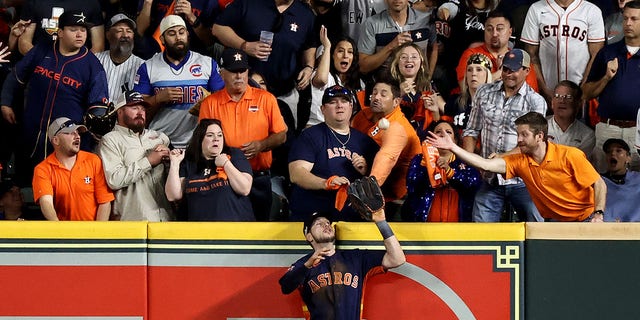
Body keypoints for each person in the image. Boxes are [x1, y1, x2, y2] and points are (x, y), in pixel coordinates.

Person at [427, 111, 607, 222]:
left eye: (524, 134)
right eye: (517, 134)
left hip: (587, 219)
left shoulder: (570, 155)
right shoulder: (520, 160)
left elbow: (599, 184)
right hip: (554, 223)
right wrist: (453, 147)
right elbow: (486, 164)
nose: (518, 140)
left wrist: (598, 214)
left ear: (540, 136)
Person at [0, 10, 109, 184]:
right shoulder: (41, 50)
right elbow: (16, 76)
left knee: (60, 188)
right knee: (26, 186)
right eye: (73, 29)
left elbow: (98, 107)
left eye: (83, 29)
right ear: (60, 33)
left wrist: (95, 126)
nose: (80, 34)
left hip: (64, 142)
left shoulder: (93, 66)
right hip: (31, 133)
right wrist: (5, 102)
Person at [198, 48, 287, 221]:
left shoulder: (266, 99)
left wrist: (261, 145)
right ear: (222, 73)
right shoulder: (210, 103)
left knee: (260, 233)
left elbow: (281, 135)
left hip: (258, 177)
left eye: (242, 70)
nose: (239, 76)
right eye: (233, 71)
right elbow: (203, 142)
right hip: (223, 179)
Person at [463, 48, 547, 222]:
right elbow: (471, 130)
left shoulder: (536, 101)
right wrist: (471, 160)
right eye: (505, 69)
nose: (508, 74)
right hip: (490, 179)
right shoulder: (484, 92)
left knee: (536, 225)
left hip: (524, 179)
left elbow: (532, 144)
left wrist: (500, 158)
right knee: (480, 230)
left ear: (526, 71)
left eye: (514, 70)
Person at [279, 207, 406, 319]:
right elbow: (285, 286)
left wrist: (381, 222)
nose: (326, 225)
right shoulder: (304, 264)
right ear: (309, 236)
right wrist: (307, 265)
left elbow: (397, 259)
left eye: (328, 223)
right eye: (319, 224)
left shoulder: (355, 258)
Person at [212, 0, 317, 126]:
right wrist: (244, 45)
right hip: (246, 92)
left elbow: (310, 45)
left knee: (286, 139)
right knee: (245, 137)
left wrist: (309, 66)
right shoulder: (248, 4)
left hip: (285, 93)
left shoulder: (305, 14)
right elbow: (218, 28)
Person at [289, 85, 379, 222]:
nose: (339, 106)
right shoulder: (310, 136)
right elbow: (297, 174)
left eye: (344, 101)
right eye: (332, 102)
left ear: (351, 107)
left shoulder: (365, 142)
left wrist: (365, 171)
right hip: (315, 217)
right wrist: (326, 183)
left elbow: (378, 183)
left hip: (353, 218)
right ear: (323, 109)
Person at [133, 14, 224, 149]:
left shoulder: (207, 63)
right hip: (159, 141)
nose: (178, 37)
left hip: (197, 142)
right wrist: (158, 99)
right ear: (162, 39)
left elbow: (223, 100)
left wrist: (208, 103)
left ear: (187, 34)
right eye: (172, 33)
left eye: (181, 32)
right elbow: (137, 110)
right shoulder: (148, 67)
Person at [97, 90, 173, 221]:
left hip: (166, 217)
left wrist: (170, 157)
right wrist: (149, 161)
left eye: (143, 108)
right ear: (119, 111)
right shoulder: (110, 140)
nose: (140, 112)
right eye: (134, 107)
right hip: (134, 219)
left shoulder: (160, 137)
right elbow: (114, 180)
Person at [351, 78, 422, 218]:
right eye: (374, 93)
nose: (376, 97)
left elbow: (387, 157)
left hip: (395, 201)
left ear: (396, 102)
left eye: (383, 95)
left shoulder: (399, 126)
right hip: (362, 187)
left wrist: (368, 192)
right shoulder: (361, 116)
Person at [583, 1, 640, 172]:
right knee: (602, 184)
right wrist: (606, 78)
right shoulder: (607, 53)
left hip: (637, 132)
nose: (628, 23)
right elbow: (586, 93)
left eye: (634, 19)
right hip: (608, 129)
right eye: (625, 18)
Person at [165, 118, 254, 221]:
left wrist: (226, 164)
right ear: (200, 139)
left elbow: (244, 189)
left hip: (235, 230)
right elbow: (173, 196)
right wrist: (175, 164)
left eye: (220, 135)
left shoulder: (234, 155)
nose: (216, 139)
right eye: (210, 135)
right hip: (200, 231)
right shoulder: (189, 161)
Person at [32, 117, 114, 221]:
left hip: (92, 232)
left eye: (77, 133)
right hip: (64, 233)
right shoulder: (43, 169)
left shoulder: (93, 160)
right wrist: (60, 233)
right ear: (56, 140)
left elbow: (105, 202)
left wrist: (97, 233)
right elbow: (46, 202)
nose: (77, 137)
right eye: (70, 133)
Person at [521, 0, 605, 101]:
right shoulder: (536, 9)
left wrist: (583, 89)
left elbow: (596, 55)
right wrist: (544, 89)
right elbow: (531, 54)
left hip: (580, 91)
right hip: (546, 91)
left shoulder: (591, 10)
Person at [404, 120, 481, 222]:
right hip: (425, 220)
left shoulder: (465, 160)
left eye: (448, 132)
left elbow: (473, 184)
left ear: (455, 140)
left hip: (458, 221)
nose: (443, 134)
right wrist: (427, 168)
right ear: (431, 138)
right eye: (438, 131)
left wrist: (450, 172)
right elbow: (412, 187)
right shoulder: (419, 159)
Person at [455, 11, 539, 92]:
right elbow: (465, 88)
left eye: (499, 29)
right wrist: (500, 73)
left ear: (510, 32)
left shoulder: (521, 60)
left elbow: (529, 96)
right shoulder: (472, 54)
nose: (494, 34)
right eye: (489, 29)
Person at [358, 0, 438, 78]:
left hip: (418, 85)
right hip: (386, 86)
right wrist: (391, 46)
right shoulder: (372, 24)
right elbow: (363, 66)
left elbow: (434, 48)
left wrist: (428, 78)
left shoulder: (425, 20)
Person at [308, 30, 364, 127]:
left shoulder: (357, 83)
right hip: (317, 129)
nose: (345, 55)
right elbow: (321, 79)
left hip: (341, 132)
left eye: (350, 52)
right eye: (340, 51)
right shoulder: (325, 76)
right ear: (332, 56)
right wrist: (327, 47)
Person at [135, 0, 220, 59]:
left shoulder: (209, 2)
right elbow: (140, 30)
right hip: (152, 55)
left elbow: (209, 41)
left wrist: (192, 17)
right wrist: (148, 3)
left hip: (192, 58)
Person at [18, 0, 105, 55]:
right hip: (40, 66)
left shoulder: (91, 3)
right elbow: (24, 43)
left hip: (77, 67)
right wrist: (46, 62)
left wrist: (80, 64)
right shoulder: (33, 2)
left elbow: (98, 46)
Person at [389, 42, 442, 131]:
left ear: (421, 63)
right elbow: (382, 117)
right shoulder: (388, 86)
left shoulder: (428, 86)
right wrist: (399, 94)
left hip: (425, 139)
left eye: (414, 57)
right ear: (397, 63)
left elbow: (437, 123)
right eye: (404, 57)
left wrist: (435, 111)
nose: (409, 60)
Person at [441, 53, 492, 138]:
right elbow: (444, 129)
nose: (473, 74)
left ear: (487, 75)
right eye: (469, 70)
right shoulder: (454, 101)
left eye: (479, 70)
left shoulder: (495, 104)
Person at [95, 13, 144, 102]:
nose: (125, 35)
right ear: (108, 35)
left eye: (129, 31)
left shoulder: (142, 66)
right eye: (119, 31)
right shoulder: (95, 60)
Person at [546, 80, 595, 158]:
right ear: (552, 103)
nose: (562, 101)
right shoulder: (539, 127)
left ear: (578, 104)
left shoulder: (587, 135)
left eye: (568, 97)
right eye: (557, 96)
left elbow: (578, 163)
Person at [601, 138, 640, 221]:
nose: (612, 154)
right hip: (606, 229)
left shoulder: (638, 180)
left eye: (618, 151)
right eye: (608, 151)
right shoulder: (599, 181)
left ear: (628, 158)